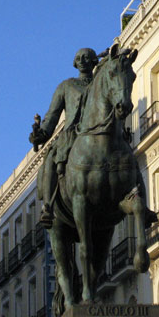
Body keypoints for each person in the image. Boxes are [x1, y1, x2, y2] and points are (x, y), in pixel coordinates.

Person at [29, 48, 98, 228]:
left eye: (86, 57)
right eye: (78, 58)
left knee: (127, 156)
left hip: (99, 131)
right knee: (51, 159)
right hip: (72, 134)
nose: (82, 60)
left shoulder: (101, 82)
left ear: (94, 61)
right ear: (75, 63)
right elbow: (52, 116)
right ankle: (48, 207)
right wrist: (40, 134)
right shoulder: (66, 86)